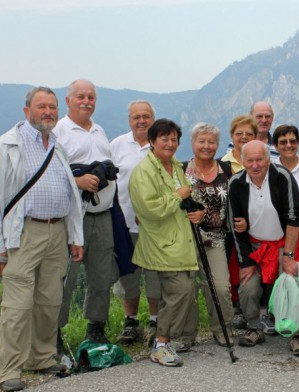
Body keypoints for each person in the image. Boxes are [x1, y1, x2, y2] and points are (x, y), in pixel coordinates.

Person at [0, 87, 84, 392]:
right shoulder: (7, 145)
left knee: (50, 299)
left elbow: (70, 196)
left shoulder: (57, 146)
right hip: (23, 234)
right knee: (17, 305)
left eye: (52, 107)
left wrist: (74, 237)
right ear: (27, 111)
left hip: (57, 232)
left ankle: (41, 357)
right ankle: (8, 370)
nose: (48, 112)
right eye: (42, 107)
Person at [129, 118, 199, 367]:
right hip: (162, 243)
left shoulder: (176, 167)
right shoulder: (143, 173)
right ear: (151, 141)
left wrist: (194, 210)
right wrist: (178, 195)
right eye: (164, 138)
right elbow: (150, 210)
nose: (170, 143)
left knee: (183, 290)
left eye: (173, 139)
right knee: (178, 291)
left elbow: (183, 199)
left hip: (181, 240)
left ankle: (168, 340)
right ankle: (160, 344)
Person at [228, 140, 299, 356]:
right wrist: (246, 262)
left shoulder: (282, 176)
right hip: (254, 247)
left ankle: (297, 334)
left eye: (260, 159)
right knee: (248, 287)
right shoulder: (236, 183)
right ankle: (254, 327)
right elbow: (235, 226)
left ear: (268, 158)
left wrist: (288, 256)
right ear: (242, 161)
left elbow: (294, 216)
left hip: (283, 243)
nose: (255, 165)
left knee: (290, 283)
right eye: (250, 160)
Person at [55, 79, 116, 344]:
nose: (86, 101)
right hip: (72, 217)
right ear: (68, 100)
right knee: (64, 278)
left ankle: (96, 328)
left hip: (103, 214)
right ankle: (54, 331)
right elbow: (49, 172)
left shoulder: (100, 130)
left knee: (101, 277)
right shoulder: (59, 131)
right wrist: (77, 181)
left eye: (91, 97)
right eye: (80, 96)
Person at [110, 100, 160, 345]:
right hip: (125, 223)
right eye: (136, 116)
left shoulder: (161, 145)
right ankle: (130, 322)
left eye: (146, 116)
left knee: (153, 276)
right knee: (128, 277)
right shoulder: (117, 145)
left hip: (154, 227)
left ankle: (155, 321)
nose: (142, 120)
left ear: (153, 118)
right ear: (129, 119)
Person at [183, 123, 234, 346]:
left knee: (221, 287)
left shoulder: (227, 169)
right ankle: (185, 334)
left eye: (211, 141)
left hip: (217, 240)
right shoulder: (181, 169)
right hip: (187, 239)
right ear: (192, 143)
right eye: (201, 141)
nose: (206, 146)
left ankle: (223, 328)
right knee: (186, 289)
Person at [221, 114, 258, 329]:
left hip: (254, 226)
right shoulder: (223, 163)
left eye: (249, 134)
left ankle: (250, 310)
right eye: (238, 133)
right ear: (231, 136)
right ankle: (236, 307)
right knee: (232, 268)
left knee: (249, 268)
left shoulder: (259, 159)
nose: (243, 137)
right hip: (228, 227)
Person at [273, 125, 299, 264]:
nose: (288, 145)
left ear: (298, 143)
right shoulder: (269, 170)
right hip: (279, 236)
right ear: (275, 146)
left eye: (293, 141)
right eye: (283, 142)